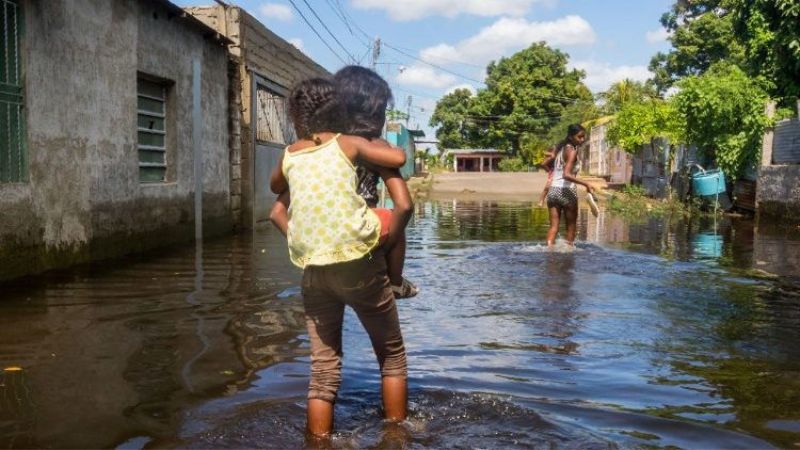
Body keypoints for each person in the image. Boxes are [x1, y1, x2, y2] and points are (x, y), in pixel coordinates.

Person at [270, 77, 411, 438]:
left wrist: (305, 243)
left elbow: (276, 208)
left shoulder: (295, 157)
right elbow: (403, 196)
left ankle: (318, 443)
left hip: (314, 269)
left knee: (322, 372)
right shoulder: (350, 145)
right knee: (392, 356)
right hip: (361, 264)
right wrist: (387, 245)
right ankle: (396, 437)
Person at [334, 65, 418, 298]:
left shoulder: (324, 146)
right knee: (393, 220)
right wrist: (390, 242)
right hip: (364, 231)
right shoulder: (375, 147)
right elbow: (405, 205)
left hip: (327, 233)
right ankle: (396, 282)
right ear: (376, 114)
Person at [544, 124, 594, 247]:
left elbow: (547, 166)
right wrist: (586, 183)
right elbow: (566, 174)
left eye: (583, 137)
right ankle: (568, 256)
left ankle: (548, 253)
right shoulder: (572, 151)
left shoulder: (560, 149)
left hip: (553, 191)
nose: (582, 140)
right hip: (567, 192)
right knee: (571, 227)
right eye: (579, 137)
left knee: (553, 227)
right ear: (571, 137)